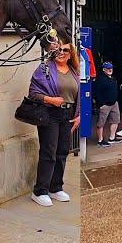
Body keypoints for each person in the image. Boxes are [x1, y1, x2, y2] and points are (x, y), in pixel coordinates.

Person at [28, 40, 80, 207]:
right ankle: (40, 190)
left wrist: (79, 116)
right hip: (50, 113)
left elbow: (79, 94)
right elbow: (33, 93)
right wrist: (50, 99)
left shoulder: (74, 71)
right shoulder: (44, 68)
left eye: (66, 50)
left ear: (71, 54)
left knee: (62, 151)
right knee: (49, 152)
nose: (62, 52)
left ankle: (55, 187)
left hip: (68, 114)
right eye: (59, 49)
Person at [94, 62, 122, 147]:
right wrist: (101, 104)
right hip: (105, 105)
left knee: (115, 120)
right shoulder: (100, 79)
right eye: (108, 68)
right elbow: (96, 93)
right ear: (104, 69)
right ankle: (100, 140)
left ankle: (112, 138)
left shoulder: (113, 78)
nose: (110, 70)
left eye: (111, 68)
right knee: (101, 123)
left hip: (114, 103)